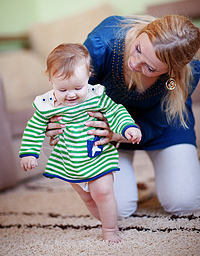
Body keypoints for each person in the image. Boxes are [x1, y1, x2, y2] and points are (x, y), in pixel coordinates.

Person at [46, 14, 200, 218]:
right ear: (143, 32)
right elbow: (74, 95)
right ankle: (134, 186)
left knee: (185, 203)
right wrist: (58, 120)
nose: (135, 63)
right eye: (138, 49)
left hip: (163, 125)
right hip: (107, 127)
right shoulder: (102, 43)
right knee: (115, 210)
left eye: (150, 68)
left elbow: (164, 118)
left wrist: (125, 133)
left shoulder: (183, 75)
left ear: (171, 71)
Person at [19, 43, 141, 243]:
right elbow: (34, 129)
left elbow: (115, 111)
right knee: (88, 198)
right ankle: (107, 218)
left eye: (78, 87)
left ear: (88, 77)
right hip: (70, 161)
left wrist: (127, 127)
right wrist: (29, 153)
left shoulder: (96, 97)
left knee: (102, 192)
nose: (71, 94)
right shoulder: (47, 106)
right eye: (62, 89)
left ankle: (109, 229)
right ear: (50, 82)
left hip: (97, 155)